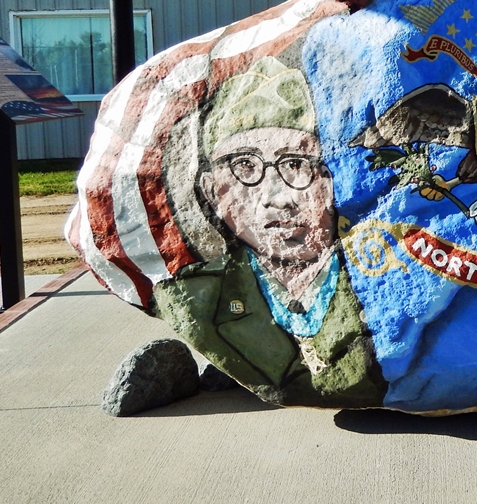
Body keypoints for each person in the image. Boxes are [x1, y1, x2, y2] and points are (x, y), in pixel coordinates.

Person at [152, 56, 386, 406]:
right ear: (212, 189)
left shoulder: (385, 275)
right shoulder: (199, 297)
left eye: (297, 164)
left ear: (334, 179)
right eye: (244, 165)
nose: (277, 198)